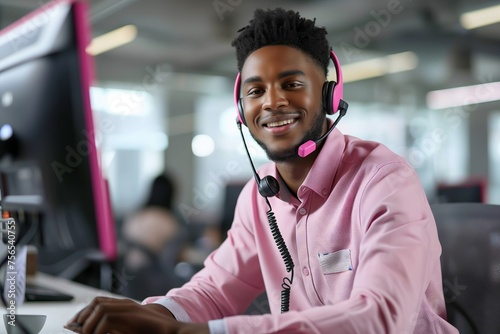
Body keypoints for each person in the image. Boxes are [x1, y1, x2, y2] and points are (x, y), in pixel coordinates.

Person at [65, 8, 459, 334]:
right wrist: (160, 315)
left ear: (329, 94)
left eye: (291, 84)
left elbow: (382, 318)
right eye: (255, 91)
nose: (272, 102)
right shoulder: (260, 198)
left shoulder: (385, 182)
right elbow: (217, 290)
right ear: (241, 111)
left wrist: (198, 333)